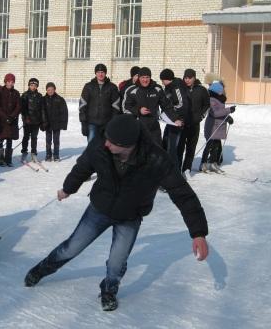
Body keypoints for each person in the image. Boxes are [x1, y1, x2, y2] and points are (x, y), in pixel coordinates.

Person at [24, 115, 209, 311]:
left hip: (130, 216)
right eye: (107, 138)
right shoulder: (102, 141)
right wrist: (68, 189)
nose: (106, 144)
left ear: (129, 145)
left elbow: (183, 195)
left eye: (112, 143)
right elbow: (83, 166)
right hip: (100, 208)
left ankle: (109, 289)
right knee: (72, 247)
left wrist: (198, 233)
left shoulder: (156, 160)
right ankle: (42, 269)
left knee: (117, 262)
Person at [123, 67, 183, 146]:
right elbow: (126, 107)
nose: (145, 80)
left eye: (147, 77)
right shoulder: (131, 90)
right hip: (138, 128)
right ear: (139, 78)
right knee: (138, 154)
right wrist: (138, 110)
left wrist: (175, 119)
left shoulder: (157, 89)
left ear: (150, 77)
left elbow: (166, 106)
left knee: (156, 154)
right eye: (143, 77)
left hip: (154, 128)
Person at [177, 68, 210, 178]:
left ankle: (186, 169)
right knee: (179, 148)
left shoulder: (201, 90)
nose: (187, 80)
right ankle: (177, 169)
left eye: (189, 78)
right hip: (182, 124)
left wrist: (201, 117)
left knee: (191, 148)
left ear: (194, 78)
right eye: (185, 78)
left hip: (195, 124)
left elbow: (207, 105)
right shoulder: (181, 89)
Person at [79, 63, 120, 143]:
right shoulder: (88, 86)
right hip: (91, 122)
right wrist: (83, 122)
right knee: (92, 147)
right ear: (95, 73)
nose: (100, 74)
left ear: (105, 73)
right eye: (98, 72)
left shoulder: (112, 87)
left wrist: (113, 121)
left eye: (102, 72)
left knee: (106, 147)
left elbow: (116, 106)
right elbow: (82, 105)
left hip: (107, 123)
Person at [200, 81, 235, 173]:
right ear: (216, 91)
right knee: (209, 145)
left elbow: (221, 112)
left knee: (216, 146)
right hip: (212, 126)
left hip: (218, 126)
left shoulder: (220, 99)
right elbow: (215, 113)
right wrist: (229, 110)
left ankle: (213, 163)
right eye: (221, 90)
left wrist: (228, 118)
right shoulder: (211, 100)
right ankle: (203, 164)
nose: (222, 92)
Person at [159, 68, 190, 167]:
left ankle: (175, 172)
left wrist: (170, 111)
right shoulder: (168, 87)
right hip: (170, 120)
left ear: (167, 79)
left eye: (163, 80)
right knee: (166, 143)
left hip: (177, 121)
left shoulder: (177, 87)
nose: (162, 83)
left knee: (172, 148)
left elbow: (182, 104)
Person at [0, 73, 21, 167]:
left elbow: (18, 106)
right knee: (0, 139)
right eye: (8, 81)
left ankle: (8, 159)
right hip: (1, 120)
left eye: (12, 82)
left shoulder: (16, 93)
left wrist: (12, 116)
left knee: (10, 139)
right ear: (5, 81)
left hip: (12, 120)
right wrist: (5, 117)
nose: (10, 83)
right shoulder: (0, 92)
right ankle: (0, 159)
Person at [20, 78, 44, 163]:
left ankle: (34, 153)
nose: (33, 87)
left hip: (36, 121)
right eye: (31, 85)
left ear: (37, 86)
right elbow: (22, 109)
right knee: (26, 137)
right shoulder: (25, 95)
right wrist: (25, 118)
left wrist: (42, 120)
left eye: (35, 85)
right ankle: (24, 152)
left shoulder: (40, 96)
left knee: (34, 138)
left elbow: (42, 109)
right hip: (27, 121)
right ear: (29, 85)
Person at [43, 82, 68, 161]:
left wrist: (63, 124)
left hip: (57, 124)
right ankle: (48, 155)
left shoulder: (60, 99)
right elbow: (41, 112)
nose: (50, 91)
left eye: (52, 89)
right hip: (47, 124)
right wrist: (42, 123)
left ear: (54, 90)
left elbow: (64, 112)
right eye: (48, 89)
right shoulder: (43, 99)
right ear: (46, 90)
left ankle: (56, 155)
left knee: (56, 141)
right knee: (48, 141)